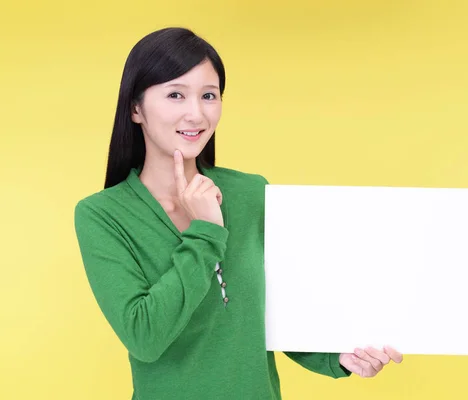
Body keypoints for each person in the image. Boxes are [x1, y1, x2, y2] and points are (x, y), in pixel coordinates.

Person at [74, 27, 403, 400]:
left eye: (209, 96)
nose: (196, 113)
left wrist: (337, 357)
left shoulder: (251, 194)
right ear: (136, 108)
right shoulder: (102, 215)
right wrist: (205, 232)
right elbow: (144, 337)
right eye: (176, 94)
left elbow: (274, 312)